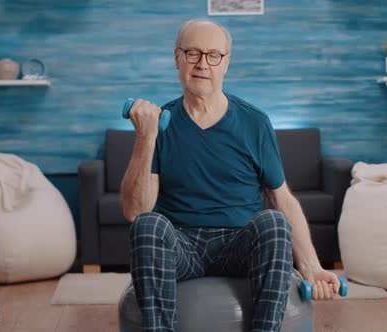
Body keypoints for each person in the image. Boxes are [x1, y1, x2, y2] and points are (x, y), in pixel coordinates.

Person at [120, 18, 341, 332]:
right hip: (182, 244)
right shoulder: (159, 125)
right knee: (147, 224)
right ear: (177, 58)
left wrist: (313, 267)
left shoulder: (255, 122)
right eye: (193, 53)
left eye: (213, 55)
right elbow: (134, 211)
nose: (202, 64)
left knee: (274, 221)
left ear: (226, 63)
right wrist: (146, 137)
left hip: (239, 243)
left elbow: (283, 201)